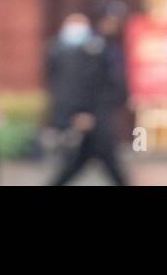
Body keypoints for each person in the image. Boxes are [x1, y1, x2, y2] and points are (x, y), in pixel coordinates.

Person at [47, 13, 128, 186]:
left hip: (97, 115)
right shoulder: (62, 51)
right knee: (103, 160)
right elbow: (69, 88)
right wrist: (78, 112)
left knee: (81, 162)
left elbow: (105, 84)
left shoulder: (99, 48)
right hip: (91, 116)